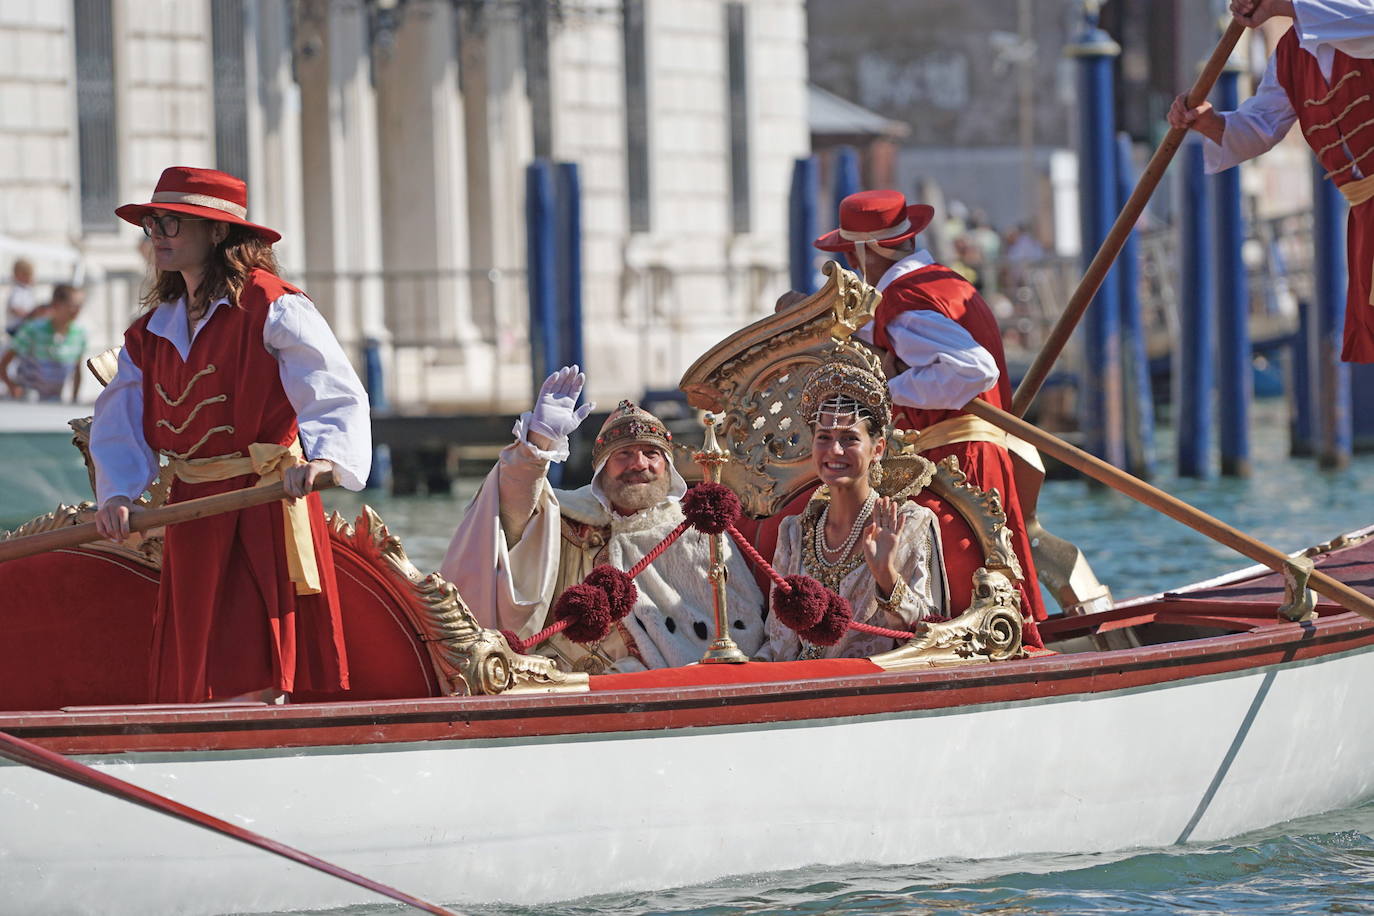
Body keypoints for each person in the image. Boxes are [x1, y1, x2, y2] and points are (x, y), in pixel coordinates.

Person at [89, 166, 372, 704]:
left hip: (260, 499)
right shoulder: (151, 330)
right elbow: (120, 416)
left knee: (254, 658)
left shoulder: (273, 305)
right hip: (191, 504)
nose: (158, 238)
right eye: (152, 226)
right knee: (196, 662)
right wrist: (119, 494)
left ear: (217, 232)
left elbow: (333, 387)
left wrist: (328, 460)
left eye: (171, 224)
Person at [812, 189, 1047, 646]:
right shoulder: (942, 282)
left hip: (957, 459)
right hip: (975, 453)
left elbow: (975, 370)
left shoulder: (904, 300)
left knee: (972, 588)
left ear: (867, 250)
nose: (852, 268)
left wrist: (883, 393)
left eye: (851, 255)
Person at [441, 367, 766, 673]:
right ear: (601, 470)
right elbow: (507, 513)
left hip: (669, 680)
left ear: (668, 468)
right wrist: (536, 449)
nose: (639, 464)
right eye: (623, 454)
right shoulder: (567, 517)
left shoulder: (693, 527)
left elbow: (742, 616)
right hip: (567, 679)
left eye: (651, 454)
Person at [1167, 0, 1374, 361]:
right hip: (1364, 214)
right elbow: (1262, 125)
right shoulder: (1289, 53)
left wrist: (1284, 4)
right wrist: (1208, 122)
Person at [756, 359, 947, 662]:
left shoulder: (908, 522)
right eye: (824, 438)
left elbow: (929, 632)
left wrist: (886, 574)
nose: (834, 451)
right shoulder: (794, 530)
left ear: (878, 449)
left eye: (849, 439)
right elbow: (778, 638)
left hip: (873, 692)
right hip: (797, 692)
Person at [0, 283, 87, 402]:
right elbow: (3, 363)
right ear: (57, 304)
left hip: (54, 404)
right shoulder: (32, 330)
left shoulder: (80, 335)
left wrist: (74, 399)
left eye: (80, 305)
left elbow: (77, 371)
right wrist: (12, 387)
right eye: (73, 305)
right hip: (26, 403)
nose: (77, 310)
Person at [5, 258, 37, 335]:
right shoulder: (17, 291)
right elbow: (14, 308)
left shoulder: (28, 290)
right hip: (16, 327)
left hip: (25, 325)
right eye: (27, 275)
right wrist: (29, 315)